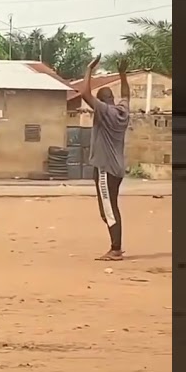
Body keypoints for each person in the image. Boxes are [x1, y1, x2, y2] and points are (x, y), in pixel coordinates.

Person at [74, 56, 130, 261]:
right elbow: (126, 94)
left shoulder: (105, 111)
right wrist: (123, 75)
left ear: (102, 101)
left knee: (109, 208)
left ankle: (116, 249)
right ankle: (115, 246)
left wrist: (89, 69)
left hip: (106, 168)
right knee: (108, 207)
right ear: (112, 99)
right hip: (117, 168)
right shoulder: (123, 111)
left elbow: (84, 93)